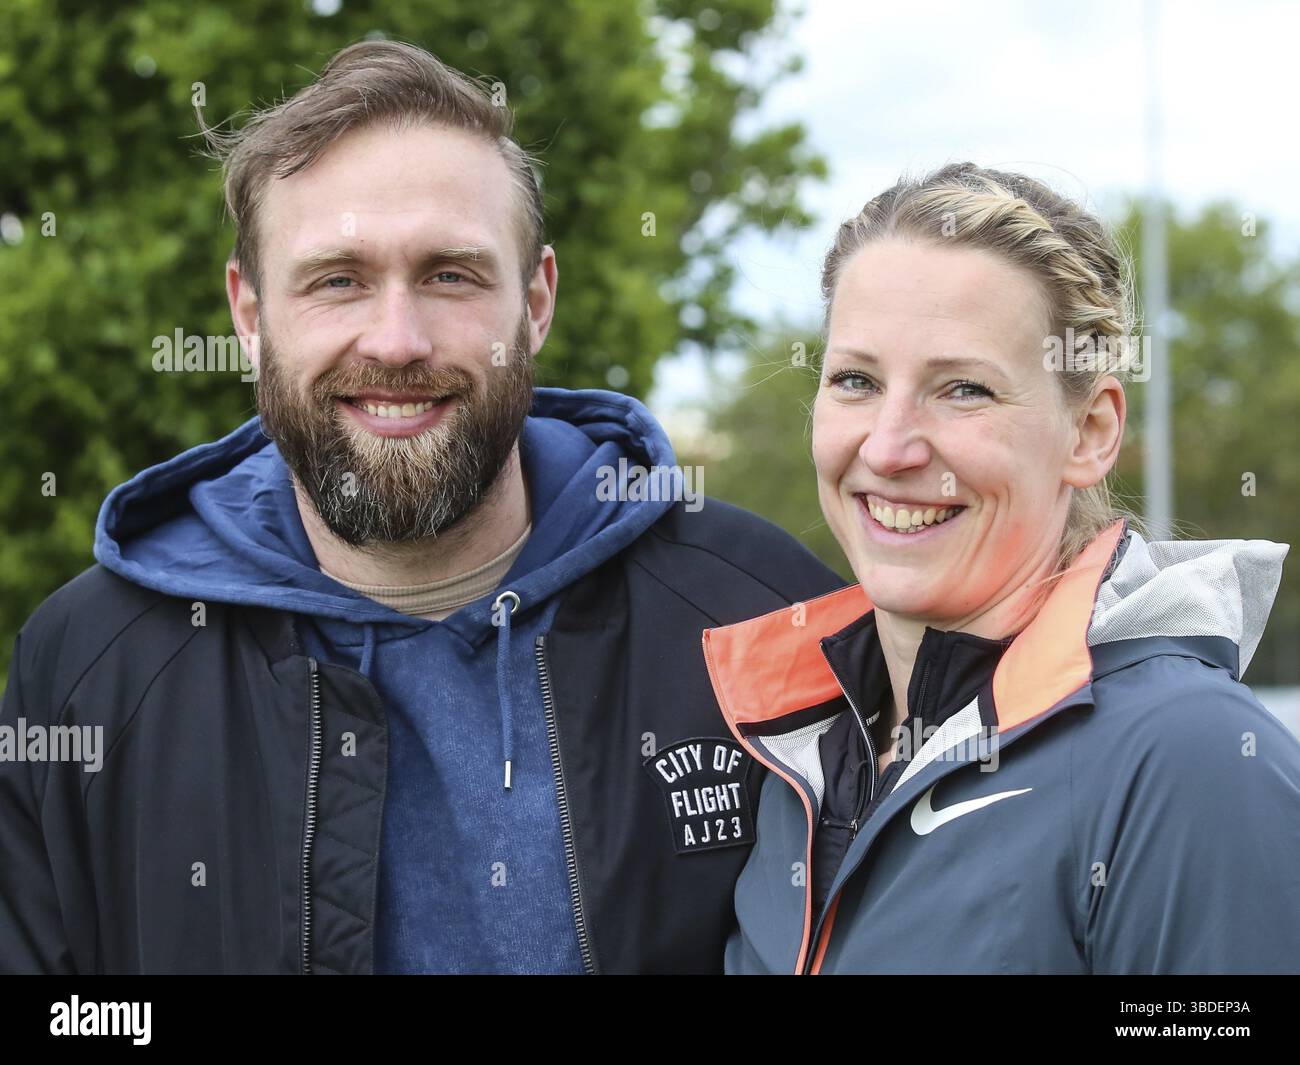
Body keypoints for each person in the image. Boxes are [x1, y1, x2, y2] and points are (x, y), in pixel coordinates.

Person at [0, 40, 843, 974]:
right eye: (337, 280)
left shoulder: (766, 613)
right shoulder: (90, 666)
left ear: (536, 301)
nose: (396, 341)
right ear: (249, 314)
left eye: (450, 275)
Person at [703, 163, 1300, 974]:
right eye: (856, 380)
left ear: (1090, 431)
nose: (887, 446)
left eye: (964, 390)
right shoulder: (797, 755)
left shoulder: (1190, 763)